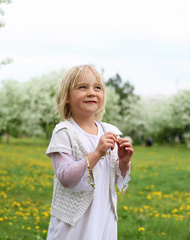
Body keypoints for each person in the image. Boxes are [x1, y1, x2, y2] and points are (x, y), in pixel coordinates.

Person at [46, 64, 133, 240]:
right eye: (82, 87)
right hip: (74, 223)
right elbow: (65, 176)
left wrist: (124, 162)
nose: (92, 92)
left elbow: (116, 178)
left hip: (104, 216)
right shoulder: (64, 132)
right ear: (67, 97)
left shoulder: (110, 131)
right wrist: (97, 153)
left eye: (97, 87)